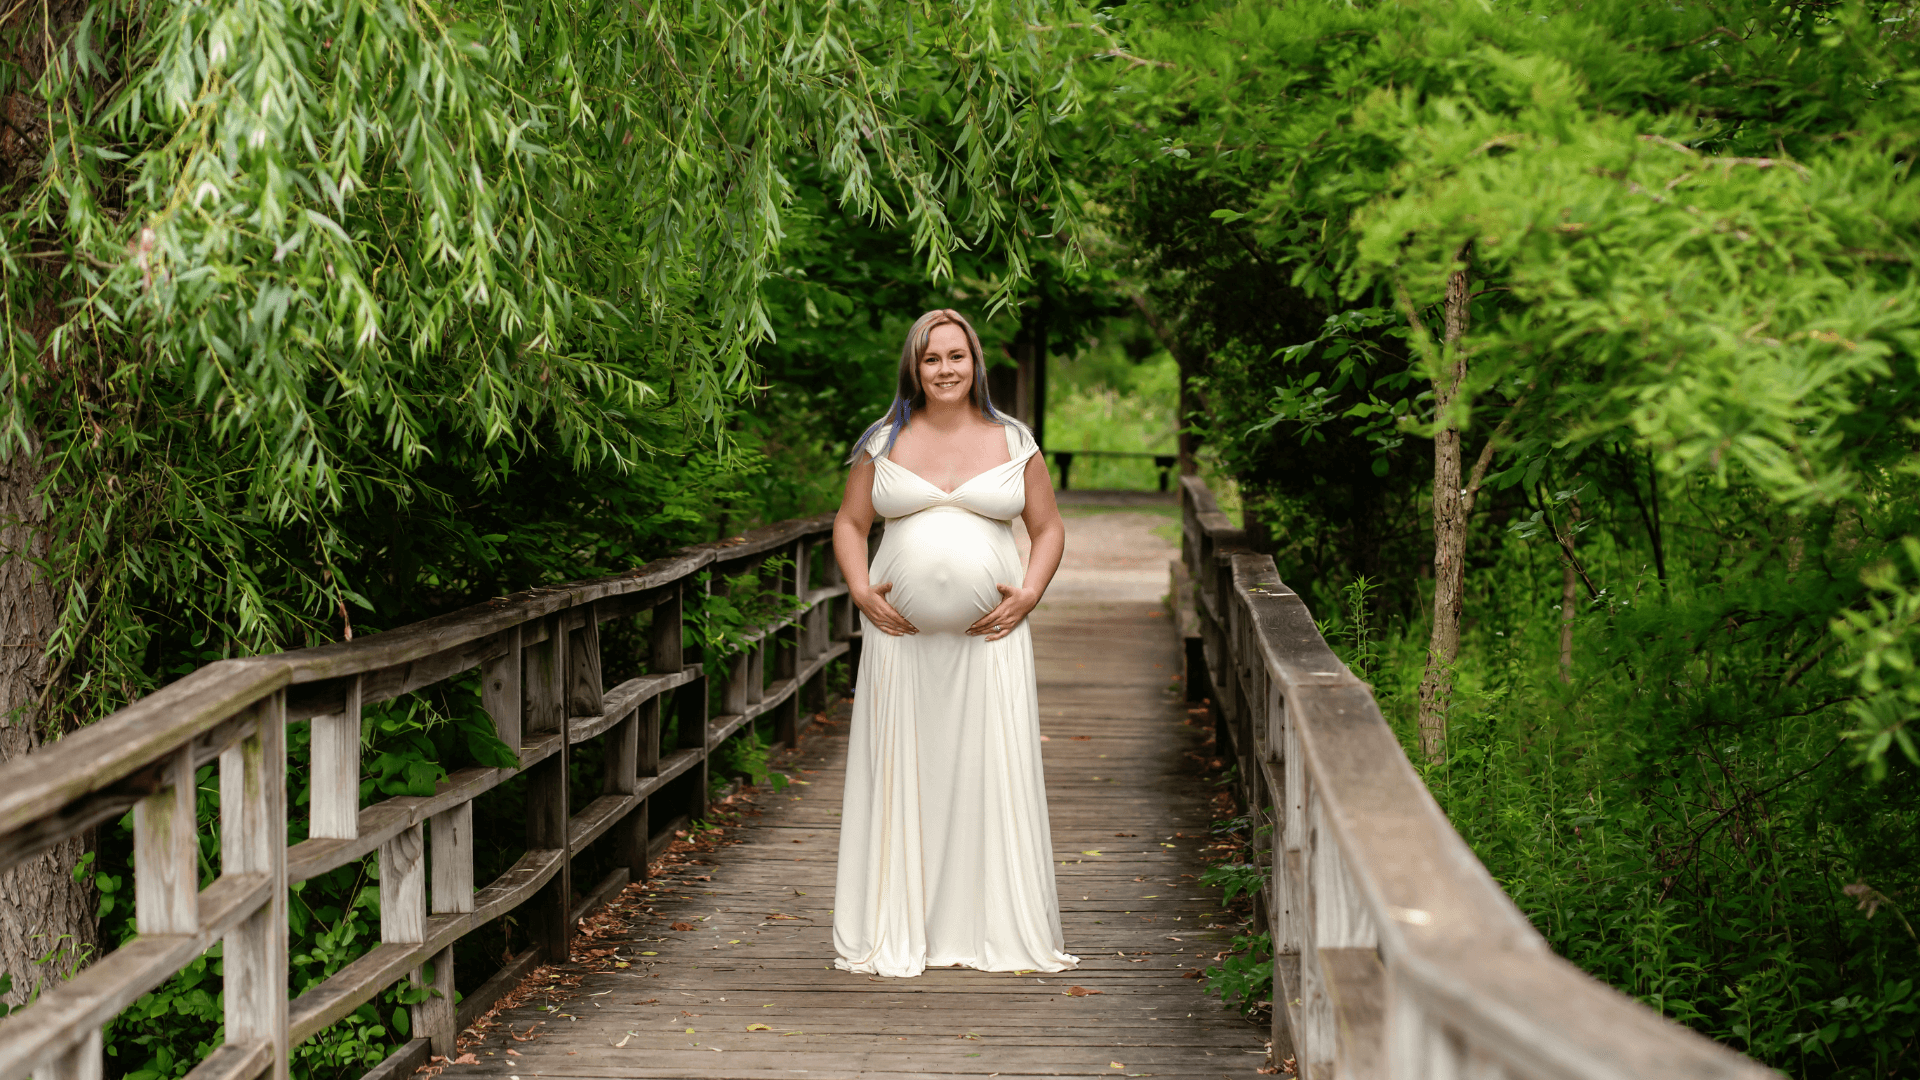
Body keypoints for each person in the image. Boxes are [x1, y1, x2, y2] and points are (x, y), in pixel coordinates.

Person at [829, 309, 1079, 978]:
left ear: (976, 366)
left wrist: (1028, 592)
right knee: (907, 774)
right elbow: (851, 524)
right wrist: (860, 588)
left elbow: (1048, 529)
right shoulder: (882, 442)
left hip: (989, 643)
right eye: (932, 358)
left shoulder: (1013, 440)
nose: (945, 369)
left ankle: (987, 926)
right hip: (900, 646)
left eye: (957, 357)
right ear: (914, 366)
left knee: (983, 773)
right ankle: (902, 925)